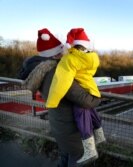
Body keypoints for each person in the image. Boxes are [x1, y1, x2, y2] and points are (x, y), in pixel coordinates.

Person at [20, 28, 102, 167]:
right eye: (62, 50)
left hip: (59, 124)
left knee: (65, 155)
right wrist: (97, 98)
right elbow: (88, 101)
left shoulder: (40, 69)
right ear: (57, 53)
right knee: (77, 158)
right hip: (71, 129)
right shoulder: (57, 73)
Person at [46, 28, 105, 165]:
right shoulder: (91, 57)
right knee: (90, 112)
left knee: (81, 117)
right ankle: (99, 134)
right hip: (91, 89)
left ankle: (90, 150)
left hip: (83, 93)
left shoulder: (70, 59)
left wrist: (51, 101)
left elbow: (61, 82)